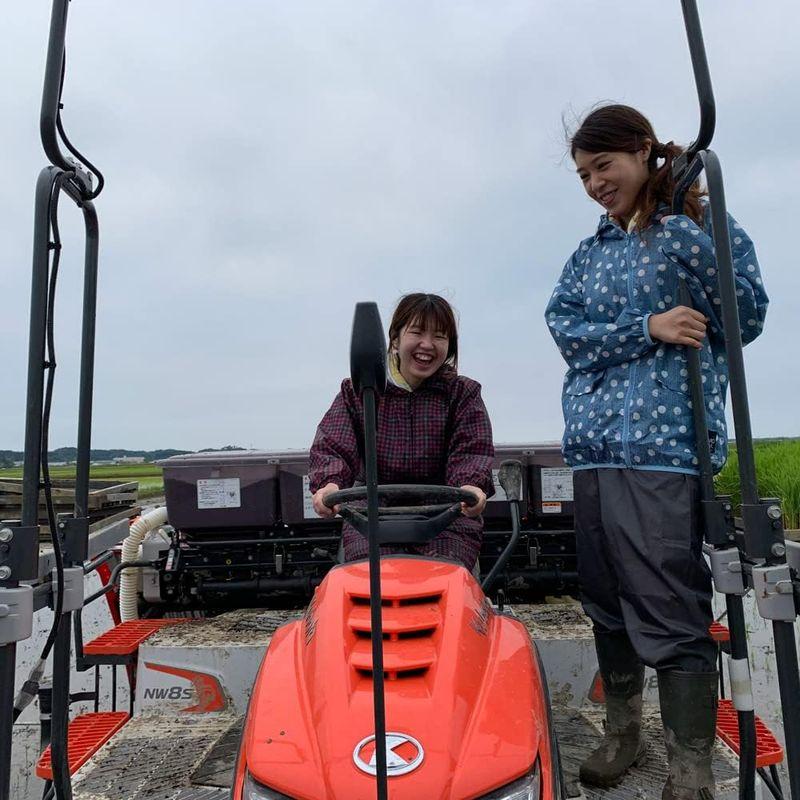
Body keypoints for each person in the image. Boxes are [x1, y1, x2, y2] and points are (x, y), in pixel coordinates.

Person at [545, 104, 768, 799]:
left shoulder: (700, 227)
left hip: (665, 452)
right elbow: (566, 331)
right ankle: (623, 733)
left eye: (602, 166)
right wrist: (649, 325)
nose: (593, 184)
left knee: (669, 606)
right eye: (583, 174)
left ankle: (690, 773)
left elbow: (748, 316)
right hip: (593, 454)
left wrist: (683, 239)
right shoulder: (588, 253)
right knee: (605, 600)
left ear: (642, 152)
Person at [309, 292, 495, 571]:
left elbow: (471, 449)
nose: (427, 345)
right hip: (373, 513)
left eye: (440, 337)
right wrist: (329, 483)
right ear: (394, 339)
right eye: (417, 332)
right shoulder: (360, 391)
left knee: (443, 578)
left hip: (445, 515)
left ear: (450, 346)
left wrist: (470, 485)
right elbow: (334, 443)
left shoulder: (462, 394)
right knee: (371, 578)